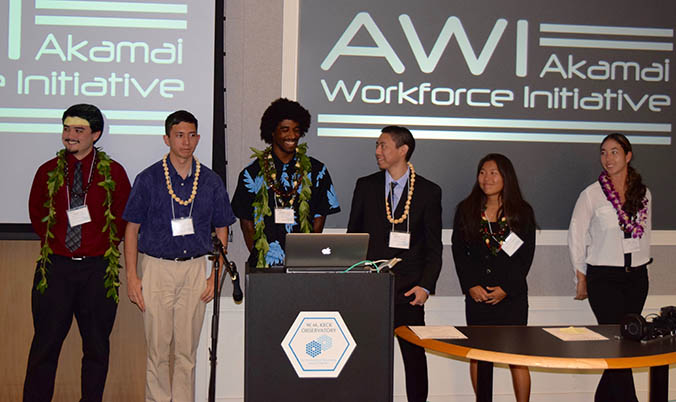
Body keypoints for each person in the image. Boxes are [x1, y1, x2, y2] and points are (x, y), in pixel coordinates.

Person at [123, 110, 236, 402]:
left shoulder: (210, 181)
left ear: (198, 138)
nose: (186, 142)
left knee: (187, 352)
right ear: (167, 138)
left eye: (191, 135)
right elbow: (131, 230)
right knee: (158, 351)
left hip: (196, 269)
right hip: (157, 269)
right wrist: (132, 276)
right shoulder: (148, 179)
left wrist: (215, 275)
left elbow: (223, 229)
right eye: (179, 135)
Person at [24, 104, 131, 402]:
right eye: (67, 129)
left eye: (78, 130)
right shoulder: (47, 171)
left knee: (96, 348)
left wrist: (97, 246)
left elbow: (124, 217)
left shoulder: (114, 172)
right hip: (56, 269)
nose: (70, 136)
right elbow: (37, 213)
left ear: (95, 134)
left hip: (97, 272)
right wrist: (59, 243)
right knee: (44, 346)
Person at [347, 126, 441, 402]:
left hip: (410, 293)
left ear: (403, 150)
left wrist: (425, 286)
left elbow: (433, 247)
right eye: (377, 145)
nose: (377, 151)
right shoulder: (366, 186)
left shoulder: (428, 191)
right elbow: (354, 238)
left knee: (414, 361)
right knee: (368, 359)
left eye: (383, 146)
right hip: (371, 291)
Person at [568, 133, 651, 402]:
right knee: (619, 347)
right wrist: (581, 276)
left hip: (636, 277)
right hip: (603, 277)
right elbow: (576, 236)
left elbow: (645, 235)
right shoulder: (592, 194)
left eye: (614, 152)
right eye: (603, 152)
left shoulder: (644, 193)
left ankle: (602, 399)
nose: (608, 158)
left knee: (625, 344)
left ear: (628, 156)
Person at [451, 153, 536, 402]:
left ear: (506, 177)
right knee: (479, 355)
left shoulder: (521, 212)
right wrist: (470, 286)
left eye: (493, 173)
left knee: (517, 358)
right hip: (477, 297)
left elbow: (525, 256)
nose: (486, 178)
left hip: (511, 299)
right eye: (482, 172)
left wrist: (507, 288)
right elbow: (459, 252)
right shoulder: (467, 210)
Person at [231, 98, 340, 268]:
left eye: (296, 130)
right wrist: (261, 255)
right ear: (272, 132)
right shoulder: (252, 174)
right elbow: (246, 223)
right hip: (263, 264)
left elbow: (319, 217)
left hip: (304, 262)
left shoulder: (317, 171)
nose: (292, 135)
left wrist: (307, 253)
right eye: (285, 130)